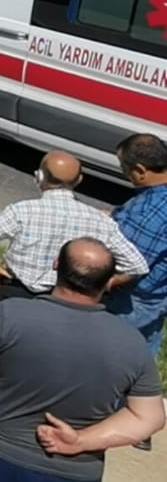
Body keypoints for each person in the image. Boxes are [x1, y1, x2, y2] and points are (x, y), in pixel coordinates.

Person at [0, 238, 165, 480]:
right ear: (109, 282)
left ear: (57, 264)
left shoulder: (10, 314)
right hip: (72, 472)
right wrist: (81, 441)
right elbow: (149, 418)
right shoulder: (132, 343)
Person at [0, 150, 147, 303]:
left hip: (16, 294)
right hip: (66, 301)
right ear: (79, 180)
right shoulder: (100, 221)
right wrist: (107, 284)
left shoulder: (22, 211)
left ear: (39, 176)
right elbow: (136, 266)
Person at [109, 133, 167, 361]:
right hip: (159, 297)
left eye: (125, 169)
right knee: (141, 362)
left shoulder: (151, 212)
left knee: (113, 362)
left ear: (141, 170)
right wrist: (116, 214)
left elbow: (130, 265)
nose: (125, 174)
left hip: (133, 302)